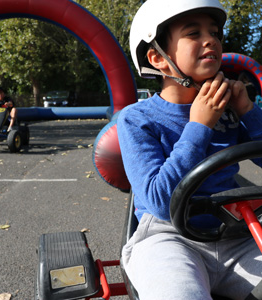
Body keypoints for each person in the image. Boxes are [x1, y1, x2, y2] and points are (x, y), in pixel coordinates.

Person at [117, 0, 262, 299]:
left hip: (236, 232)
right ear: (157, 58)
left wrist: (248, 110)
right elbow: (159, 202)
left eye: (214, 32)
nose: (211, 40)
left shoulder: (231, 108)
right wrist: (199, 126)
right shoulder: (137, 119)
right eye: (193, 33)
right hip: (168, 239)